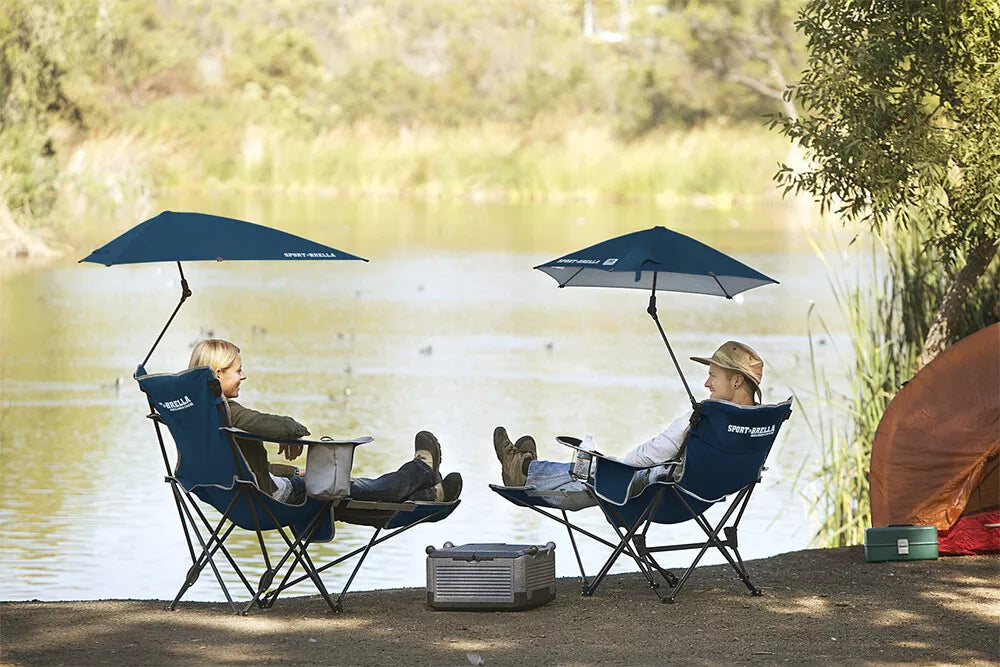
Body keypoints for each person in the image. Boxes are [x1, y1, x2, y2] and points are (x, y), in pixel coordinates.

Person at [493, 341, 764, 510]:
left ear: (737, 381)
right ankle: (528, 468)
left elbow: (652, 454)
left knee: (594, 474)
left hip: (663, 495)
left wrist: (617, 464)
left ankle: (525, 470)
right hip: (701, 498)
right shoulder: (759, 423)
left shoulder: (707, 415)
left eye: (713, 376)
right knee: (593, 472)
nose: (707, 384)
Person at [189, 338, 462, 506]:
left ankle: (428, 496)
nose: (244, 375)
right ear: (217, 373)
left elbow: (244, 468)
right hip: (268, 500)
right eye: (238, 370)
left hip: (234, 498)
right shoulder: (228, 413)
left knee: (342, 489)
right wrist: (295, 432)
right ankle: (420, 472)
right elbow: (272, 425)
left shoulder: (193, 417)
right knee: (344, 487)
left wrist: (293, 472)